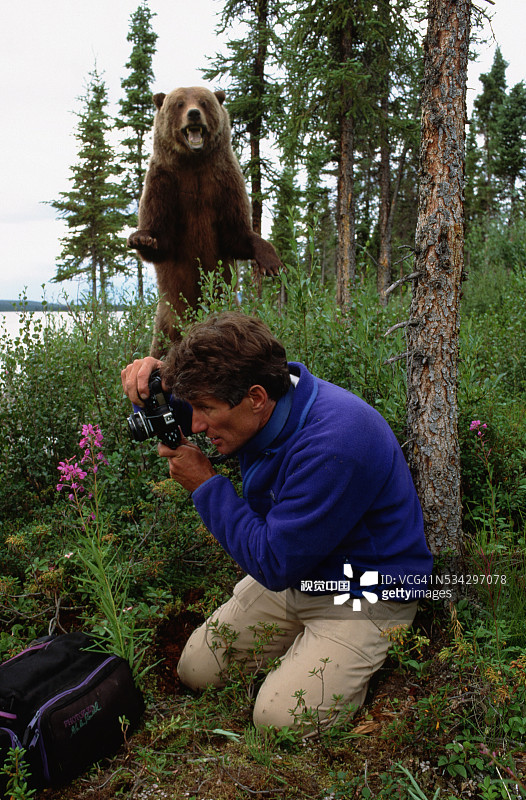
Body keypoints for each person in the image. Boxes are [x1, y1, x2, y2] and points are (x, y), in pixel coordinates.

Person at [121, 311, 433, 731]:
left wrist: (205, 486)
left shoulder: (335, 442)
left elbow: (273, 562)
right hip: (299, 573)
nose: (195, 424)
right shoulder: (263, 398)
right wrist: (156, 381)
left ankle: (343, 663)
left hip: (364, 588)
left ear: (255, 397)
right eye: (192, 406)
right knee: (196, 669)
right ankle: (302, 655)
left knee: (278, 720)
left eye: (205, 409)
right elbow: (203, 402)